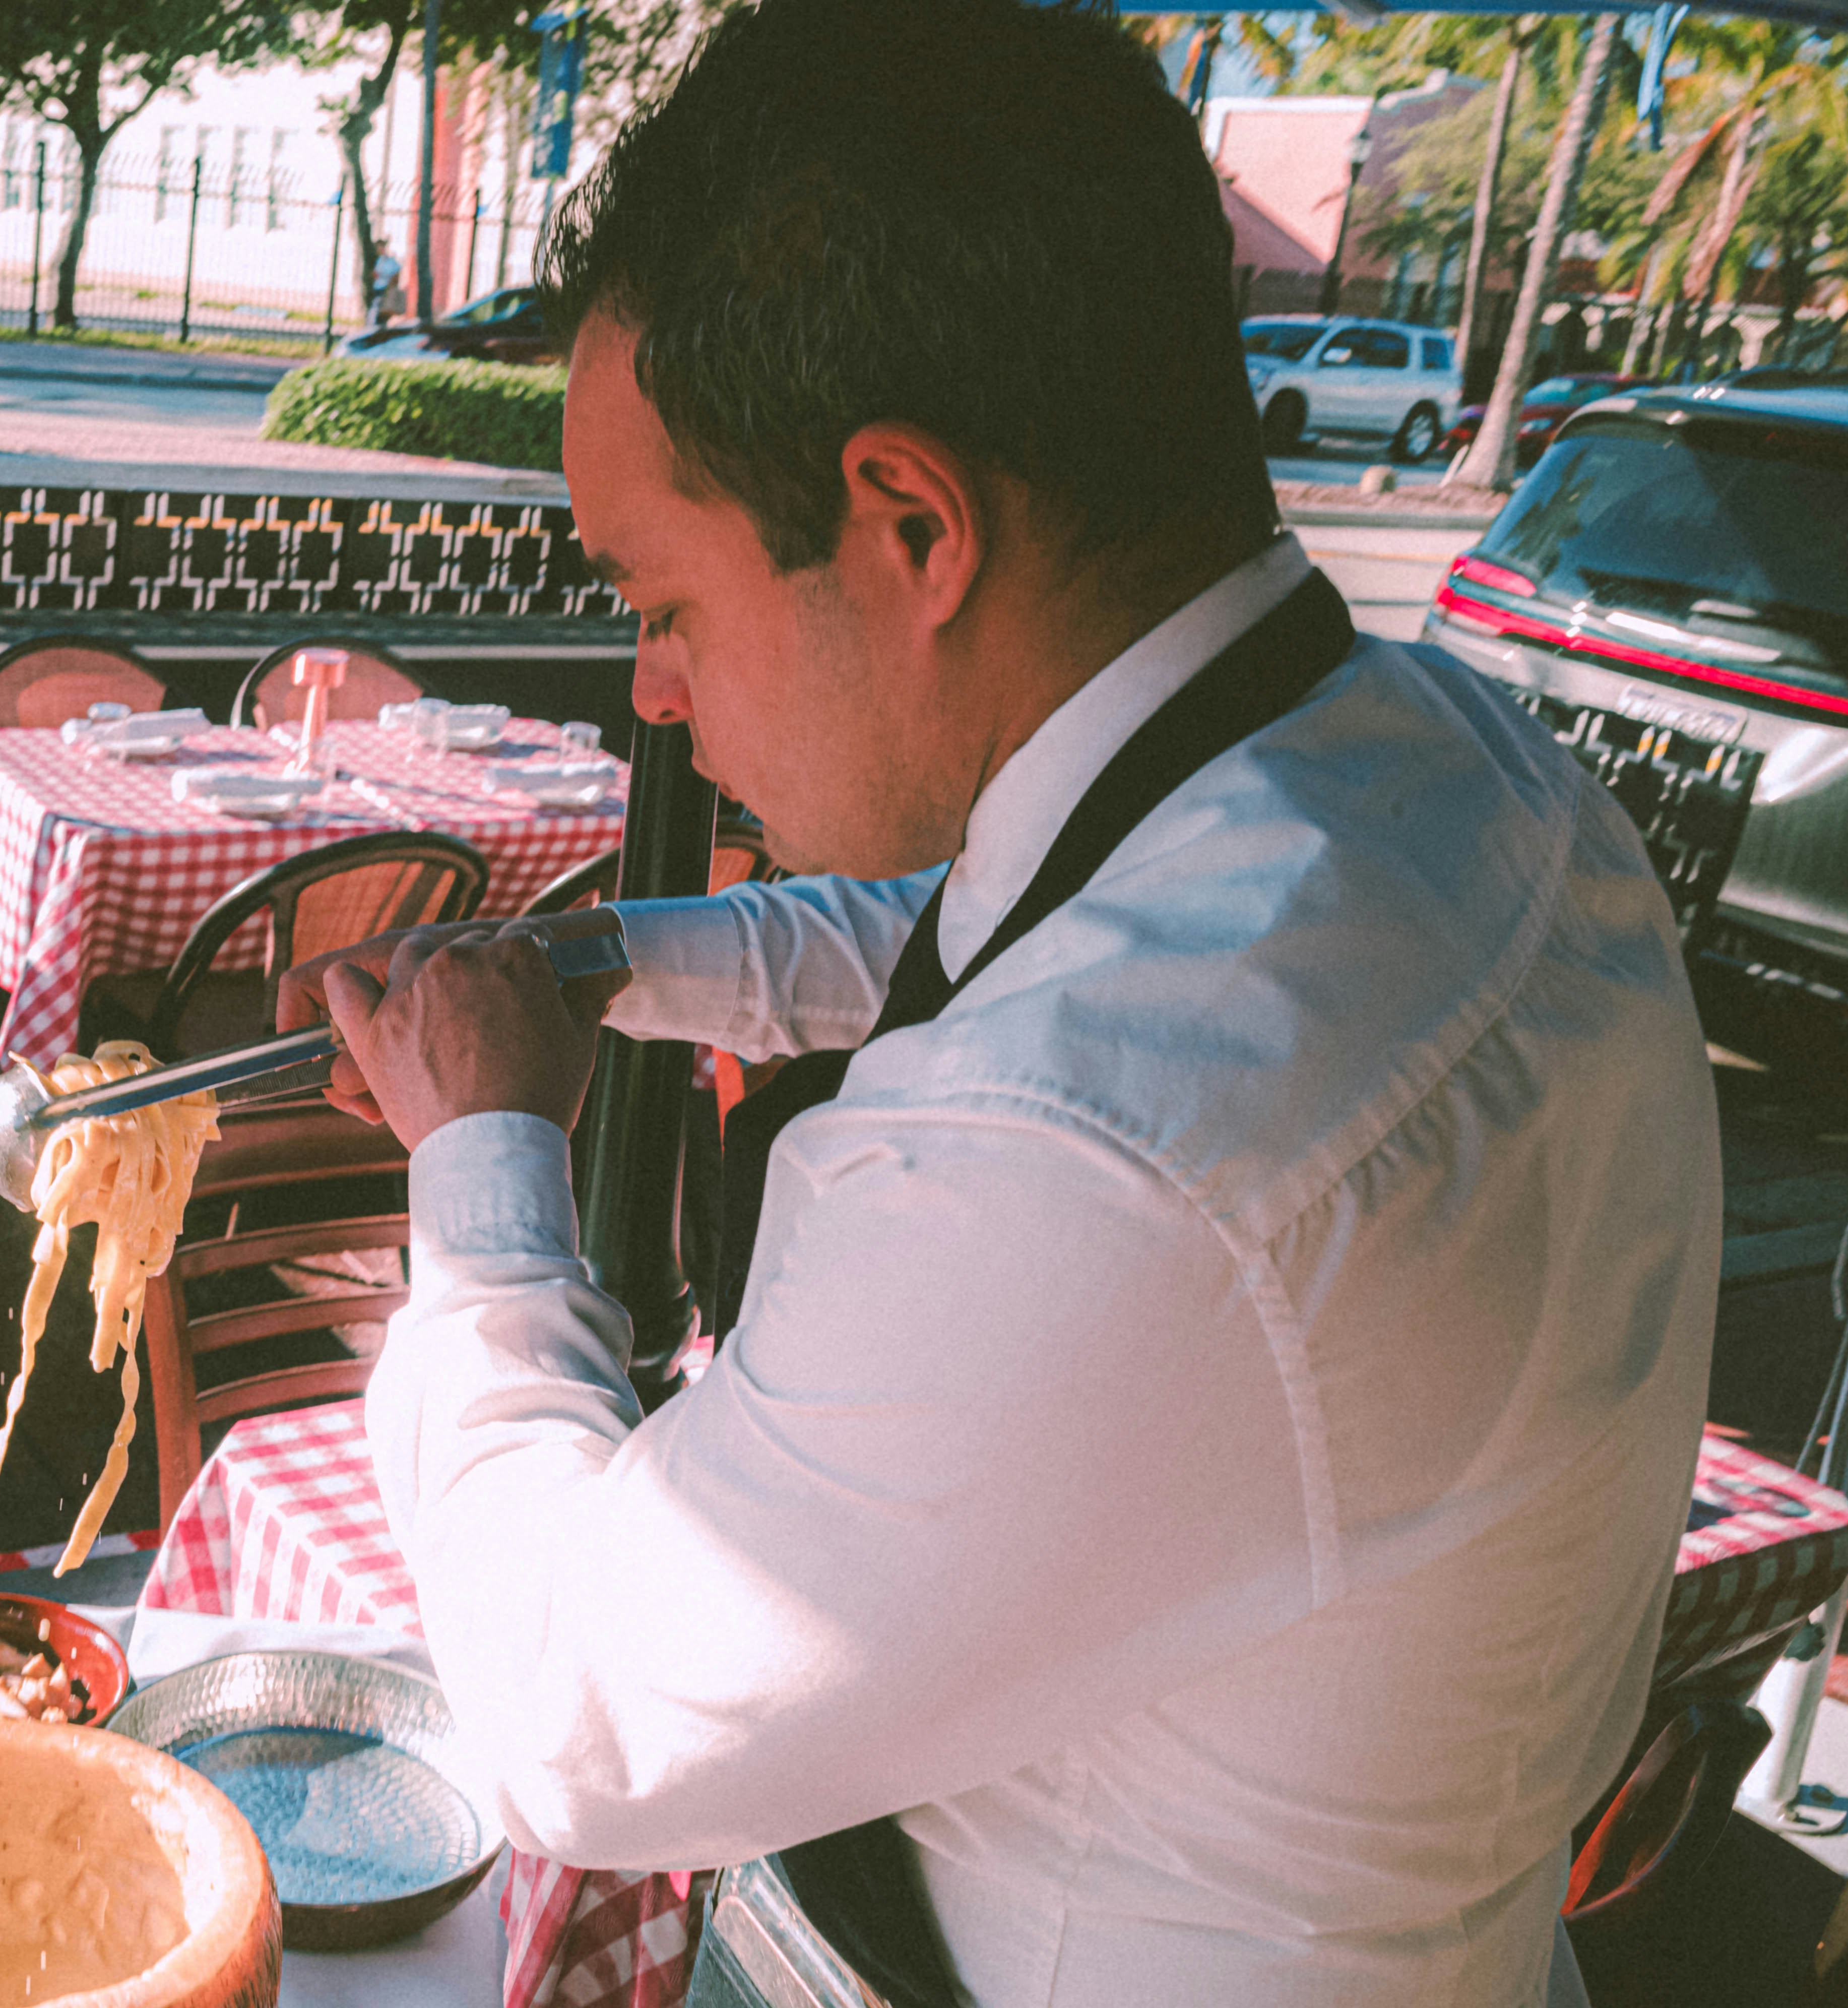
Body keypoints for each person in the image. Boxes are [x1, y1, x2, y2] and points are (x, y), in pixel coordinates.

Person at [278, 3, 1716, 2004]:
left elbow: (581, 1715)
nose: (653, 694)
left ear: (913, 529)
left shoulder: (1091, 1155)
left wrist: (486, 1170)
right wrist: (595, 973)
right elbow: (982, 924)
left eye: (664, 602)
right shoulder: (1450, 770)